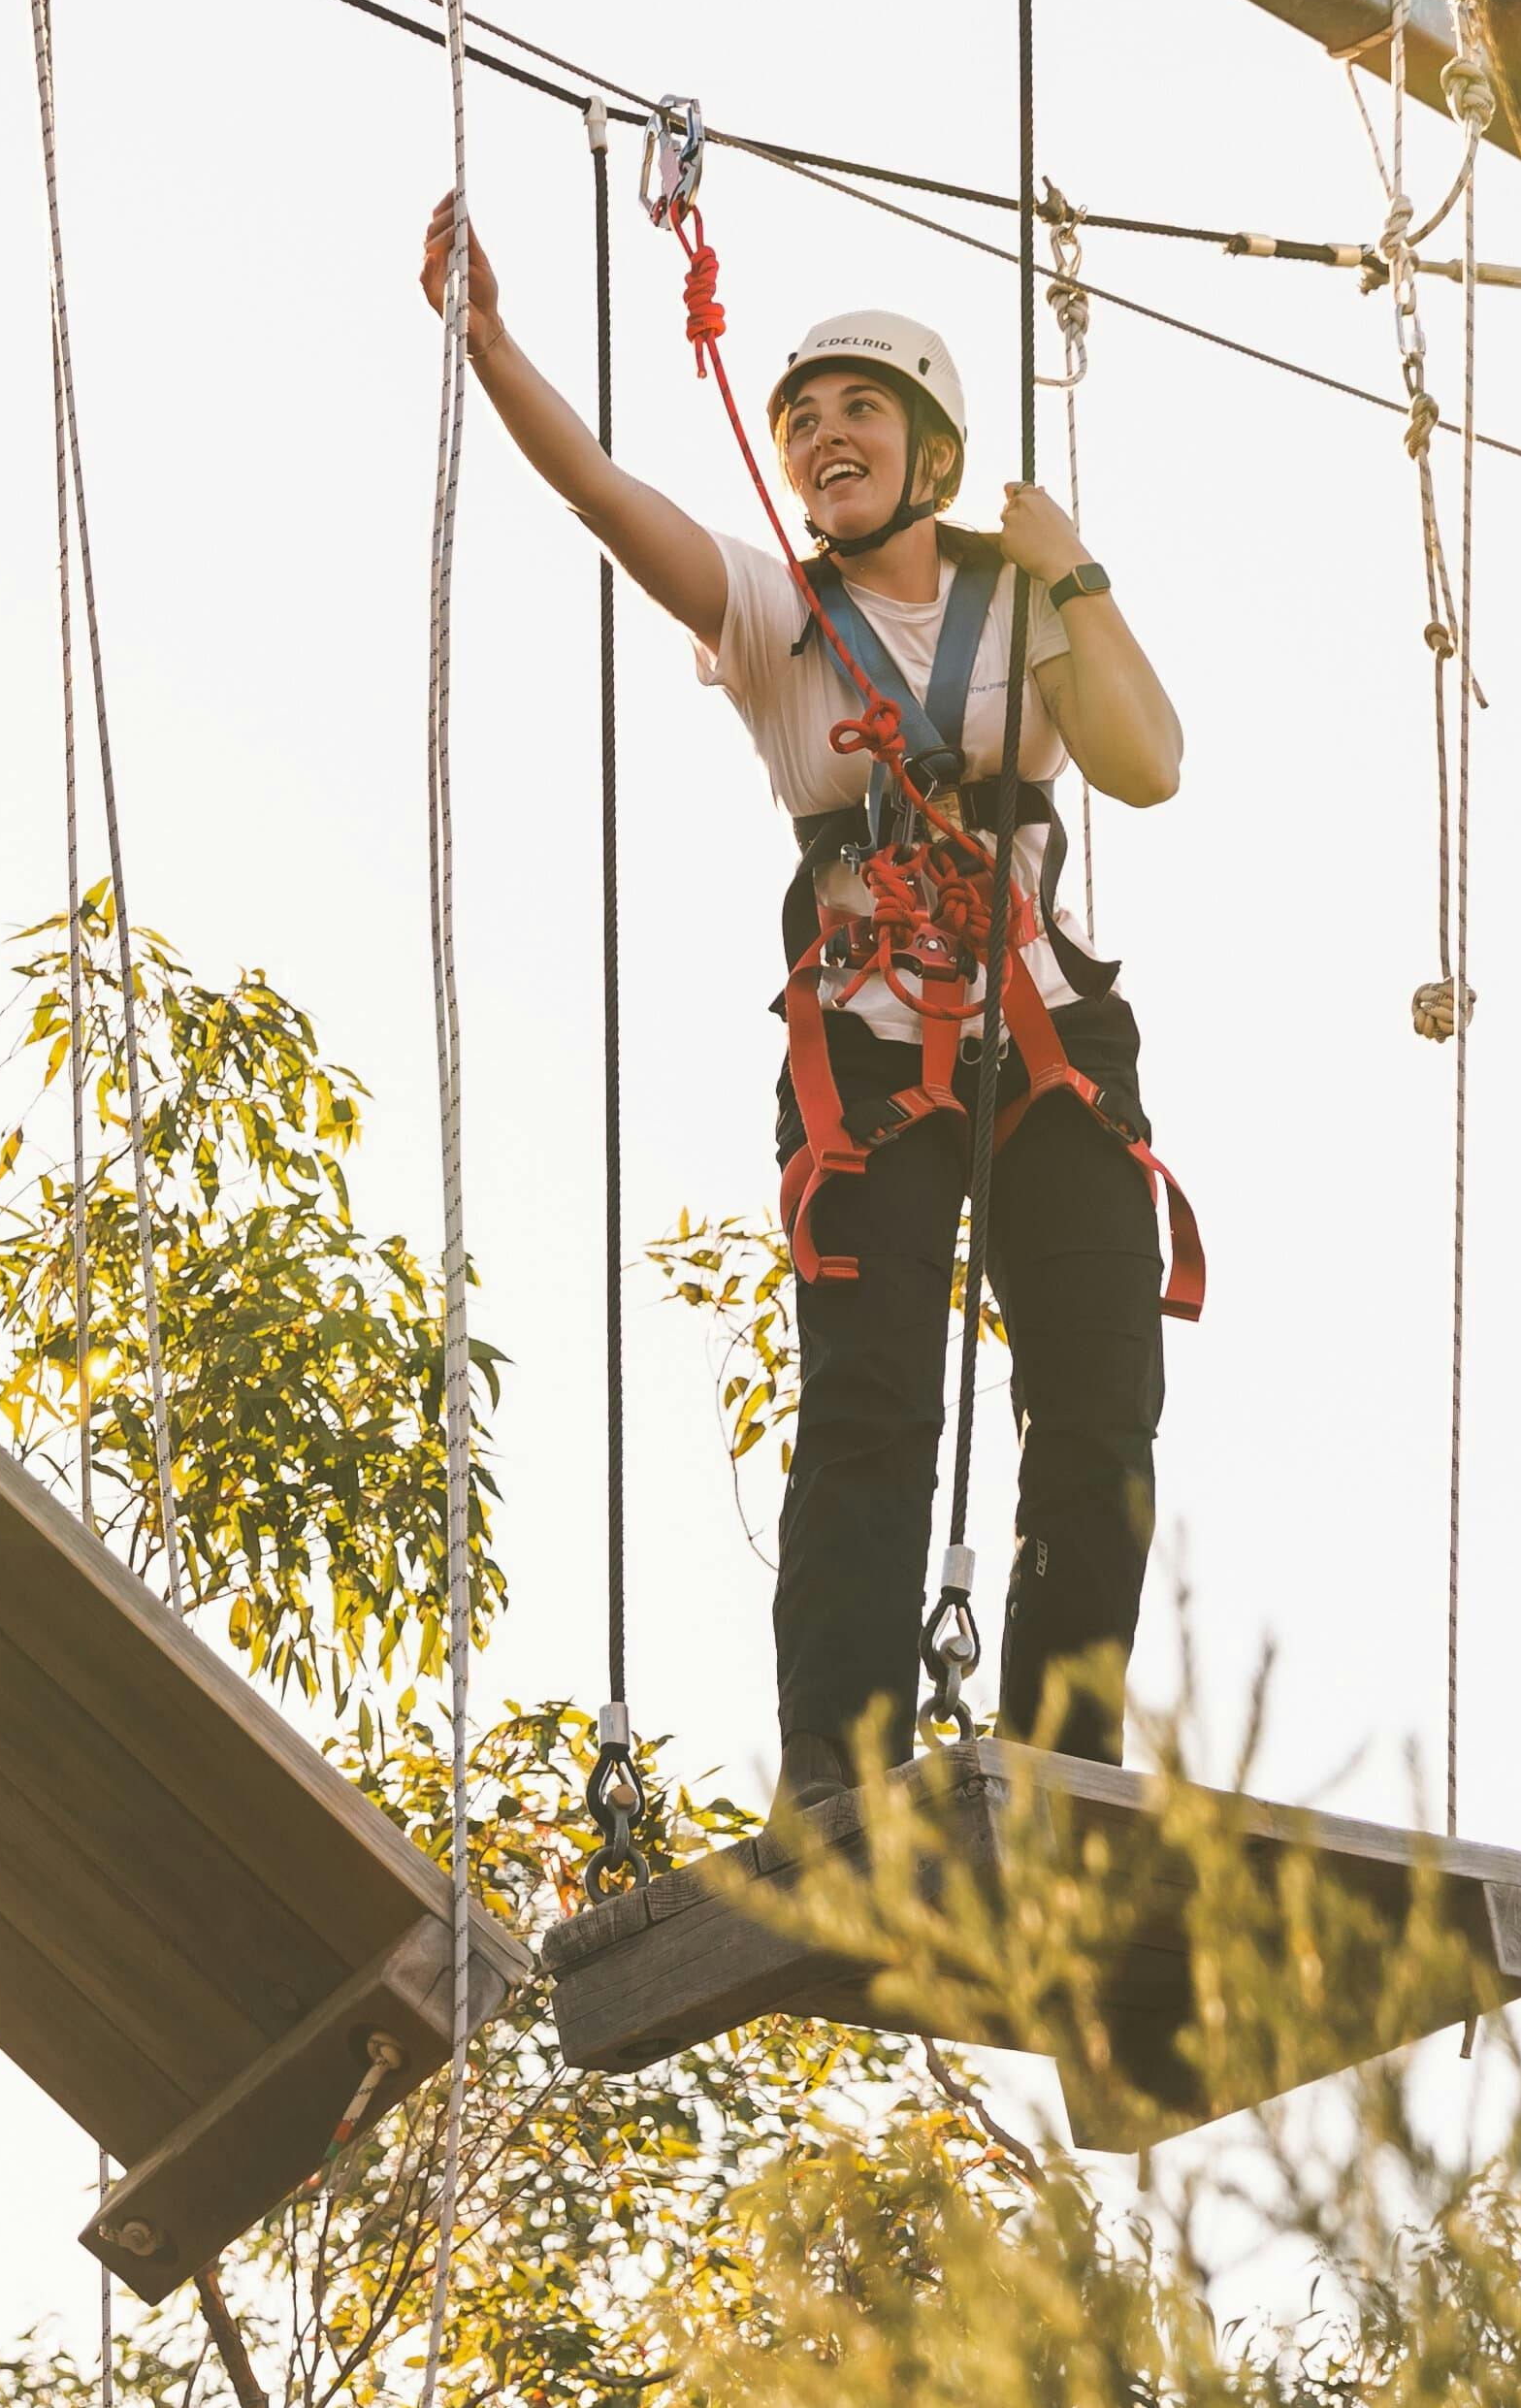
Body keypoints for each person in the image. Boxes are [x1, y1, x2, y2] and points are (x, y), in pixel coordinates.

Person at [420, 201, 1198, 1810]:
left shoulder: (1023, 607)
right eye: (801, 423)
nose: (823, 438)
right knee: (869, 1405)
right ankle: (838, 1772)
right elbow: (600, 494)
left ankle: (1067, 1766)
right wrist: (489, 342)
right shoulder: (778, 619)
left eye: (859, 413)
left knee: (1102, 1400)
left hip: (1047, 1045)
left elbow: (1147, 766)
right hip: (868, 1055)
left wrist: (1079, 571)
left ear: (930, 451)